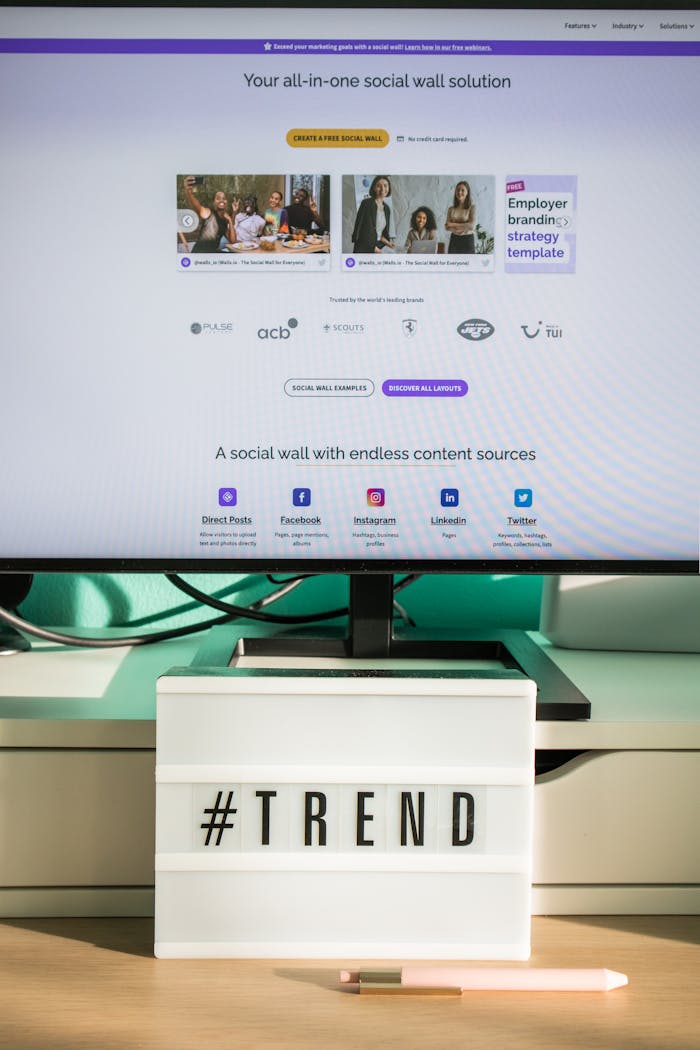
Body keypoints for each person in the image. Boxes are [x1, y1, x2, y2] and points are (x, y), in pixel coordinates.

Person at [182, 175, 235, 252]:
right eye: (218, 198)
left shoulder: (224, 221)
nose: (222, 201)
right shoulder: (209, 213)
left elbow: (232, 241)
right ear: (213, 202)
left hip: (212, 252)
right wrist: (189, 192)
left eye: (224, 198)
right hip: (200, 253)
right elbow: (197, 206)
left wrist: (230, 220)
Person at [351, 175, 395, 254]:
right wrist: (372, 248)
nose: (382, 189)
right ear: (374, 188)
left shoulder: (387, 209)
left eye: (385, 186)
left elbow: (379, 233)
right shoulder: (366, 203)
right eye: (379, 186)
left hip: (378, 246)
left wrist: (389, 243)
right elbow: (359, 229)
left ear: (389, 188)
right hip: (364, 247)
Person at [445, 180, 476, 254]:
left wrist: (453, 224)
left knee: (469, 264)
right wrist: (463, 227)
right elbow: (446, 226)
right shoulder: (451, 209)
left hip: (467, 240)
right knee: (452, 263)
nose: (459, 192)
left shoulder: (472, 208)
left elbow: (472, 226)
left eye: (462, 190)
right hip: (454, 239)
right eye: (458, 190)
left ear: (467, 192)